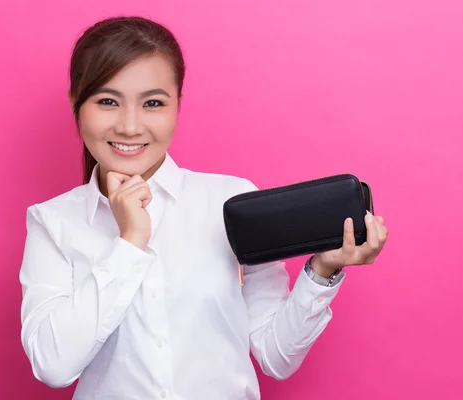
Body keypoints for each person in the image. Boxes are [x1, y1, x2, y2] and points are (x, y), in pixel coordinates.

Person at [19, 15, 388, 400]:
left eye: (153, 103)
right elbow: (53, 366)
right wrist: (130, 242)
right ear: (76, 102)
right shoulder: (53, 221)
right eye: (108, 101)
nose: (130, 126)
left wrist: (322, 271)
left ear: (178, 104)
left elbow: (276, 357)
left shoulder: (231, 202)